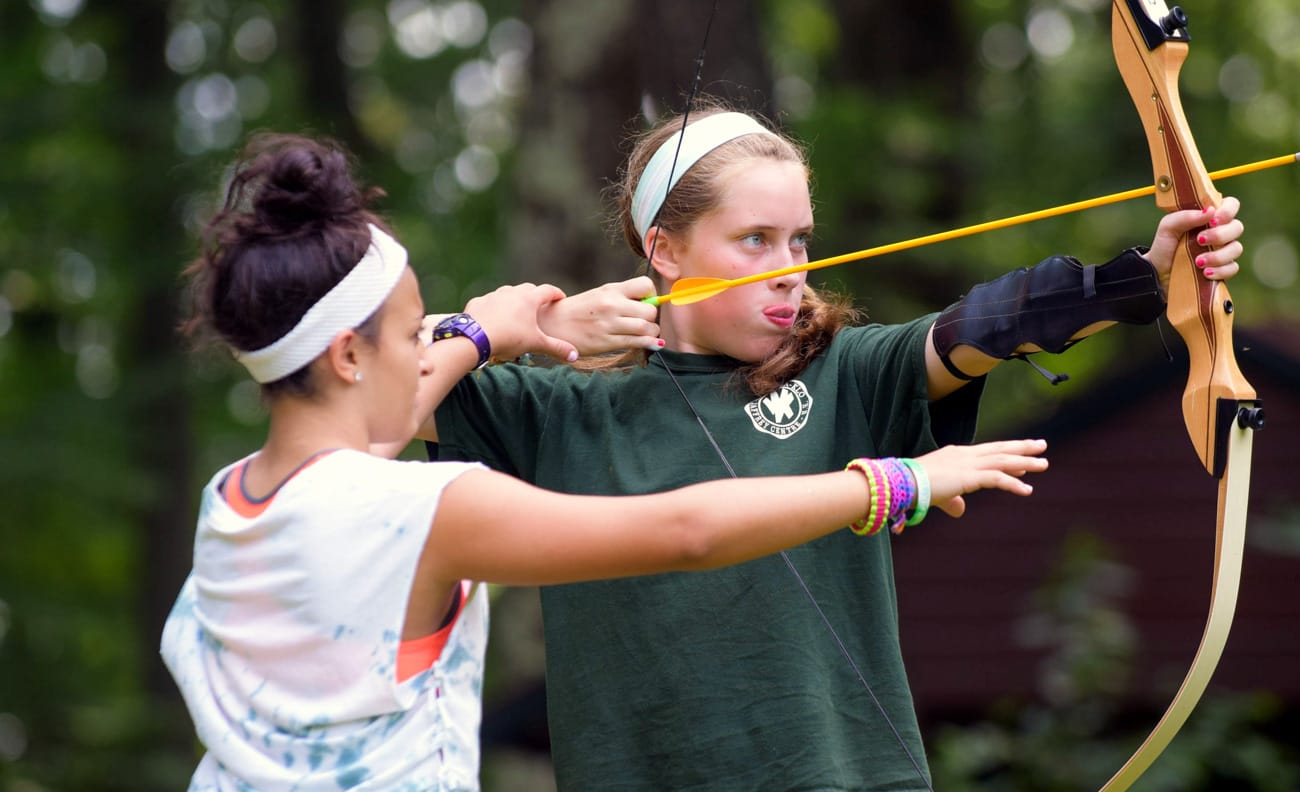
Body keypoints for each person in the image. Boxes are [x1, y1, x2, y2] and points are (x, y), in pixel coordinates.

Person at [158, 132, 1049, 792]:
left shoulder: (227, 505)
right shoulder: (424, 506)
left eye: (798, 242)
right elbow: (689, 529)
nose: (427, 348)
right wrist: (900, 483)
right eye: (410, 334)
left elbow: (362, 414)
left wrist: (1127, 283)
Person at [426, 105, 1246, 790]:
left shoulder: (844, 374)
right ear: (664, 250)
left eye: (799, 240)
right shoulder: (560, 412)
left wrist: (1140, 277)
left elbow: (980, 328)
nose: (789, 270)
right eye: (755, 239)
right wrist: (501, 329)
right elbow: (364, 383)